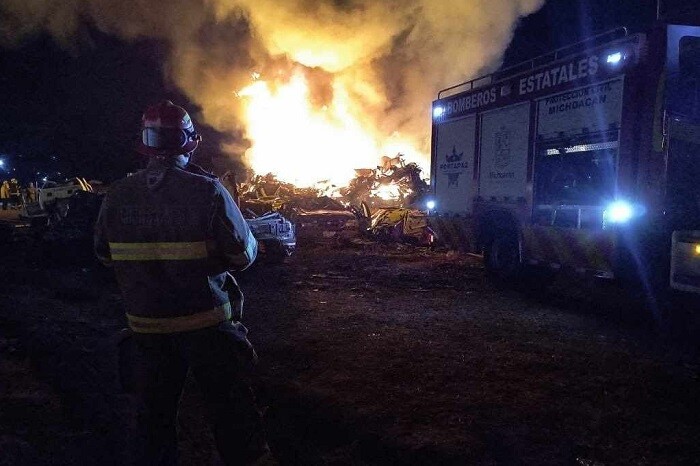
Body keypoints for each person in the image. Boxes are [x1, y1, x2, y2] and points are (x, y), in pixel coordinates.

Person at [94, 101, 273, 465]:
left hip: (146, 330)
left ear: (144, 144)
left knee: (153, 423)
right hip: (207, 327)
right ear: (189, 143)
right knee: (233, 416)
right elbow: (243, 256)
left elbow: (104, 256)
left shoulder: (116, 195)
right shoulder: (207, 191)